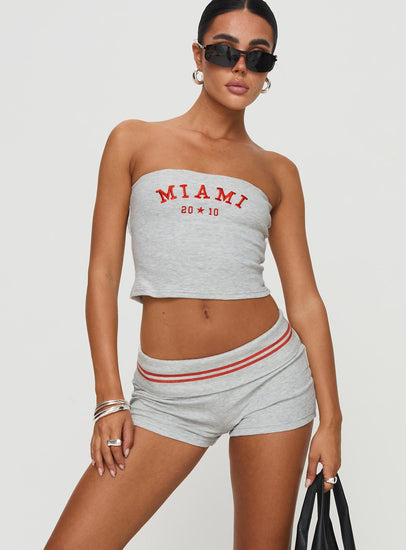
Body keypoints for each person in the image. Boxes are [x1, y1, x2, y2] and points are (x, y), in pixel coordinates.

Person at [44, 1, 343, 548]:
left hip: (271, 380)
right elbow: (102, 273)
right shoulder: (134, 141)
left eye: (258, 57)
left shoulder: (277, 171)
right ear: (198, 56)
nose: (240, 67)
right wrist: (109, 398)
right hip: (167, 397)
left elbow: (305, 300)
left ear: (269, 71)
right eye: (225, 51)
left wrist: (332, 421)